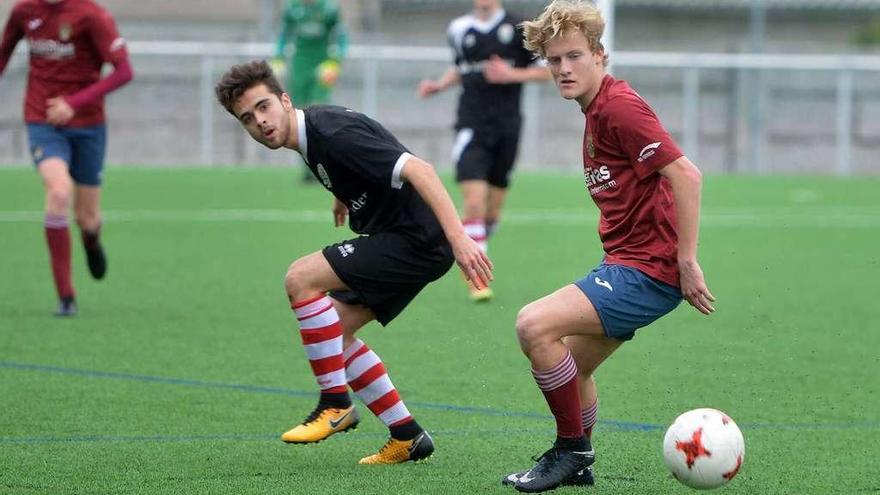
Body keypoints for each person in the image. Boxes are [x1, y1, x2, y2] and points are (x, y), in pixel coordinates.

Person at [214, 60, 493, 464]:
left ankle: (335, 403)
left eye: (263, 107)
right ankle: (407, 436)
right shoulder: (314, 135)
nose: (260, 121)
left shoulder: (331, 133)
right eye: (247, 118)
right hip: (410, 239)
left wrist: (459, 238)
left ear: (284, 100)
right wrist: (346, 190)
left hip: (417, 240)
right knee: (333, 334)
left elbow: (420, 169)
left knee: (300, 277)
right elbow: (371, 154)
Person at [501, 1, 716, 492]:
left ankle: (571, 450)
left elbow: (686, 174)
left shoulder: (618, 106)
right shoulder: (594, 110)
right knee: (570, 369)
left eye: (575, 56)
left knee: (533, 325)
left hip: (649, 270)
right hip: (630, 264)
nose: (564, 69)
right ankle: (580, 462)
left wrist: (686, 261)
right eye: (554, 61)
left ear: (600, 55)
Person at [0, 0, 134, 317]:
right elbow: (3, 54)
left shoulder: (92, 15)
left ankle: (91, 240)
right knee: (58, 191)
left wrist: (74, 103)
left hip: (88, 125)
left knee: (87, 219)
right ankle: (66, 297)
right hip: (42, 121)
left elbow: (124, 71)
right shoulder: (23, 11)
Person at [418, 0, 550, 302]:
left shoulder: (520, 28)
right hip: (471, 125)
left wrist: (511, 75)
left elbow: (547, 72)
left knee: (491, 211)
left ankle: (478, 242)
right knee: (474, 203)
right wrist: (438, 86)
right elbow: (460, 68)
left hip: (507, 127)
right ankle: (477, 278)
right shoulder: (459, 29)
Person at [272, 0, 347, 184]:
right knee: (298, 118)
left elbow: (341, 38)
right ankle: (308, 168)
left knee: (319, 115)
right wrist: (278, 57)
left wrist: (335, 62)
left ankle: (324, 167)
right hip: (299, 67)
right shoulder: (292, 8)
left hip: (322, 67)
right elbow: (284, 35)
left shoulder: (329, 9)